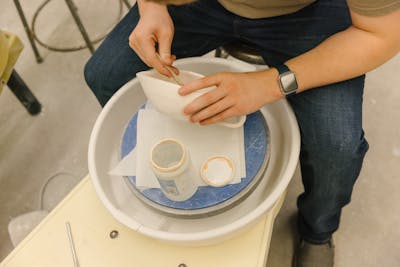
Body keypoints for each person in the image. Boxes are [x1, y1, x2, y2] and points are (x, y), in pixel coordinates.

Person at [84, 0, 400, 266]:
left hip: (310, 11)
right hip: (210, 8)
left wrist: (271, 83)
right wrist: (152, 6)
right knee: (106, 74)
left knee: (336, 145)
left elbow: (382, 34)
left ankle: (317, 229)